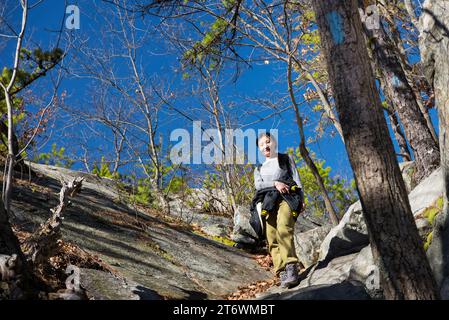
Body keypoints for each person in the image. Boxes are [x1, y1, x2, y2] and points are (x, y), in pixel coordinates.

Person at [253, 132, 305, 288]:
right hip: (268, 202)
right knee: (271, 236)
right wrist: (275, 183)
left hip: (286, 198)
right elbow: (258, 186)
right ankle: (281, 271)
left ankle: (291, 267)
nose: (265, 146)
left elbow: (296, 178)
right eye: (261, 145)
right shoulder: (259, 168)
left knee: (283, 228)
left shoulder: (285, 158)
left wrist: (302, 198)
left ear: (274, 143)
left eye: (267, 142)